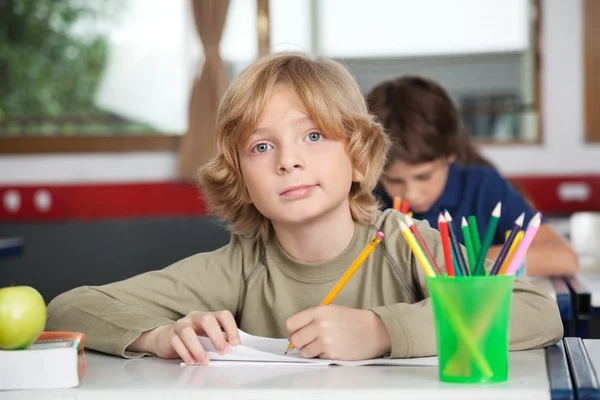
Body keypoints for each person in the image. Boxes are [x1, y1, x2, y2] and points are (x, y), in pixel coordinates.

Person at [46, 53, 562, 365]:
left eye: (313, 136)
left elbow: (536, 311)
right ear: (242, 180)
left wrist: (383, 331)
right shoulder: (241, 264)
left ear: (359, 158)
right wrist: (161, 336)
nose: (289, 162)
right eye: (261, 147)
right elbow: (68, 307)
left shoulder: (407, 243)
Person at [367, 75, 578, 276]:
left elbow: (565, 258)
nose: (411, 194)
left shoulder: (483, 186)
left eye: (424, 176)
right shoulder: (367, 196)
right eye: (393, 180)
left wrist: (466, 263)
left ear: (450, 153)